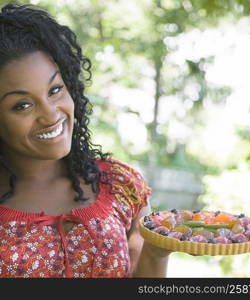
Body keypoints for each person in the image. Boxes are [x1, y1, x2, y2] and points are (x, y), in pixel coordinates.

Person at [0, 3, 171, 278]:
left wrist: (158, 250)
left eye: (55, 90)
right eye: (22, 105)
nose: (50, 114)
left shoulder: (120, 186)